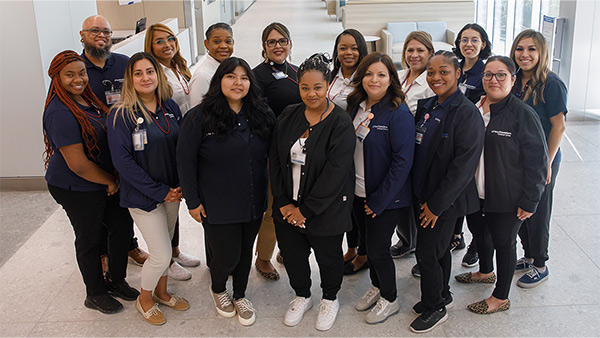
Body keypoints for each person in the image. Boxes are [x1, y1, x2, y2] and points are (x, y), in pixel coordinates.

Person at [177, 57, 276, 326]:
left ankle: (241, 294)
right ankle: (219, 289)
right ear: (219, 80)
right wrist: (193, 201)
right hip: (216, 202)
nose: (238, 83)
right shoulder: (199, 117)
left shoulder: (260, 114)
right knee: (225, 254)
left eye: (244, 78)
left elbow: (275, 153)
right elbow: (185, 161)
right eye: (231, 76)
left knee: (245, 251)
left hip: (253, 199)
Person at [42, 50, 139, 314]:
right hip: (77, 185)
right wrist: (109, 181)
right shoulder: (59, 112)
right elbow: (77, 164)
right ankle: (95, 293)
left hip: (102, 180)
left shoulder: (87, 99)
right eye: (69, 74)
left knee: (121, 226)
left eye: (82, 72)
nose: (78, 79)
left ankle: (116, 280)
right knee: (90, 238)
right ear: (56, 78)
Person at [454, 56, 548, 314]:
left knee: (504, 243)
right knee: (480, 234)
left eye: (501, 75)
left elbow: (538, 162)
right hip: (475, 192)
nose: (493, 80)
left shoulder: (522, 114)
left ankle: (500, 297)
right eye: (488, 75)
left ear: (513, 79)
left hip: (507, 196)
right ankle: (485, 271)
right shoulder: (475, 107)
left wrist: (530, 201)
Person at [270, 53, 355, 331]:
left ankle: (330, 298)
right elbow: (275, 159)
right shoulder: (288, 115)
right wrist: (283, 202)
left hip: (325, 210)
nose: (311, 93)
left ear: (328, 85)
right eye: (304, 87)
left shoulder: (340, 124)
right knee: (293, 256)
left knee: (328, 258)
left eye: (317, 87)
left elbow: (336, 173)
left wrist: (304, 211)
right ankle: (302, 294)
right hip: (287, 206)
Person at [108, 52, 189, 325]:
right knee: (162, 253)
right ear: (130, 79)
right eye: (138, 73)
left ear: (158, 75)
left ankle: (162, 292)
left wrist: (179, 186)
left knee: (166, 242)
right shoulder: (121, 115)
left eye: (150, 71)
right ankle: (145, 299)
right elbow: (123, 163)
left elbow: (180, 150)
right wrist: (160, 191)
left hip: (173, 193)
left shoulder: (170, 107)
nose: (145, 78)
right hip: (143, 197)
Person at [409, 51, 484, 333]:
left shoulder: (466, 113)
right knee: (437, 251)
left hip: (445, 201)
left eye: (444, 72)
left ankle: (435, 307)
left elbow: (463, 167)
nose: (436, 77)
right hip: (422, 194)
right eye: (431, 72)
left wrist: (436, 206)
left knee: (427, 253)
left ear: (458, 74)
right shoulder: (426, 105)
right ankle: (442, 294)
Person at [346, 52, 414, 324]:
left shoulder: (398, 113)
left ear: (391, 80)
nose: (374, 79)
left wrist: (379, 200)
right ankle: (377, 284)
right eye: (369, 74)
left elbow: (402, 163)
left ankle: (390, 298)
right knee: (366, 245)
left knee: (378, 250)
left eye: (381, 74)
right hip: (358, 192)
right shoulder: (355, 105)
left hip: (386, 198)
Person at [79, 14, 149, 267]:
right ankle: (101, 253)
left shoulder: (124, 63)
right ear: (82, 36)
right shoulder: (76, 69)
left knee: (123, 202)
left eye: (106, 32)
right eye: (95, 31)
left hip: (126, 144)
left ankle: (129, 246)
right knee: (97, 205)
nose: (101, 36)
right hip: (93, 150)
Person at [510, 29, 567, 288]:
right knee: (521, 209)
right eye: (520, 49)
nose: (525, 54)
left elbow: (559, 127)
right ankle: (529, 255)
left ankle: (541, 264)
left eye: (531, 49)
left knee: (539, 210)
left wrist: (547, 163)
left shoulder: (551, 83)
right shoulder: (514, 79)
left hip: (543, 159)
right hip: (519, 158)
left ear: (541, 52)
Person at [144, 23, 200, 281]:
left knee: (174, 203)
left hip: (183, 137)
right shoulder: (153, 73)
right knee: (166, 202)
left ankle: (175, 251)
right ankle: (165, 260)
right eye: (159, 41)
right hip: (167, 140)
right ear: (150, 46)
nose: (167, 44)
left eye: (170, 39)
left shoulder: (178, 67)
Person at [252, 22, 302, 280]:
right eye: (272, 42)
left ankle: (286, 248)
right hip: (273, 152)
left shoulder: (296, 70)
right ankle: (263, 258)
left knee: (296, 201)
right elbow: (257, 118)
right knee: (274, 208)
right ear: (264, 47)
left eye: (282, 40)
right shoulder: (257, 76)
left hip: (299, 151)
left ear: (290, 43)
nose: (278, 46)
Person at [389, 31, 436, 261]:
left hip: (417, 147)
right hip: (393, 145)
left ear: (430, 53)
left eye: (420, 50)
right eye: (410, 50)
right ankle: (406, 239)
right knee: (400, 197)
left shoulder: (431, 83)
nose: (414, 55)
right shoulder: (397, 76)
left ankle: (418, 245)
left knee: (416, 198)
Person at [327, 29, 369, 273]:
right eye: (343, 48)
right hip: (336, 150)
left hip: (359, 148)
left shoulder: (366, 77)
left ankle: (364, 253)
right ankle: (351, 247)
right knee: (346, 202)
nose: (348, 52)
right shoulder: (332, 76)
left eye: (353, 47)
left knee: (360, 201)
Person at [451, 23, 493, 268]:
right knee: (457, 188)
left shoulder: (485, 71)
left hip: (476, 135)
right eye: (464, 39)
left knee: (475, 194)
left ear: (483, 44)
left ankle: (477, 245)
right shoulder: (455, 68)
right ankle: (457, 236)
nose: (468, 44)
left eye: (474, 40)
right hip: (454, 134)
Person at [189, 22, 234, 107]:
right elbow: (197, 113)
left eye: (228, 41)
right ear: (206, 44)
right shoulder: (203, 76)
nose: (223, 46)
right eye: (217, 42)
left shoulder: (231, 68)